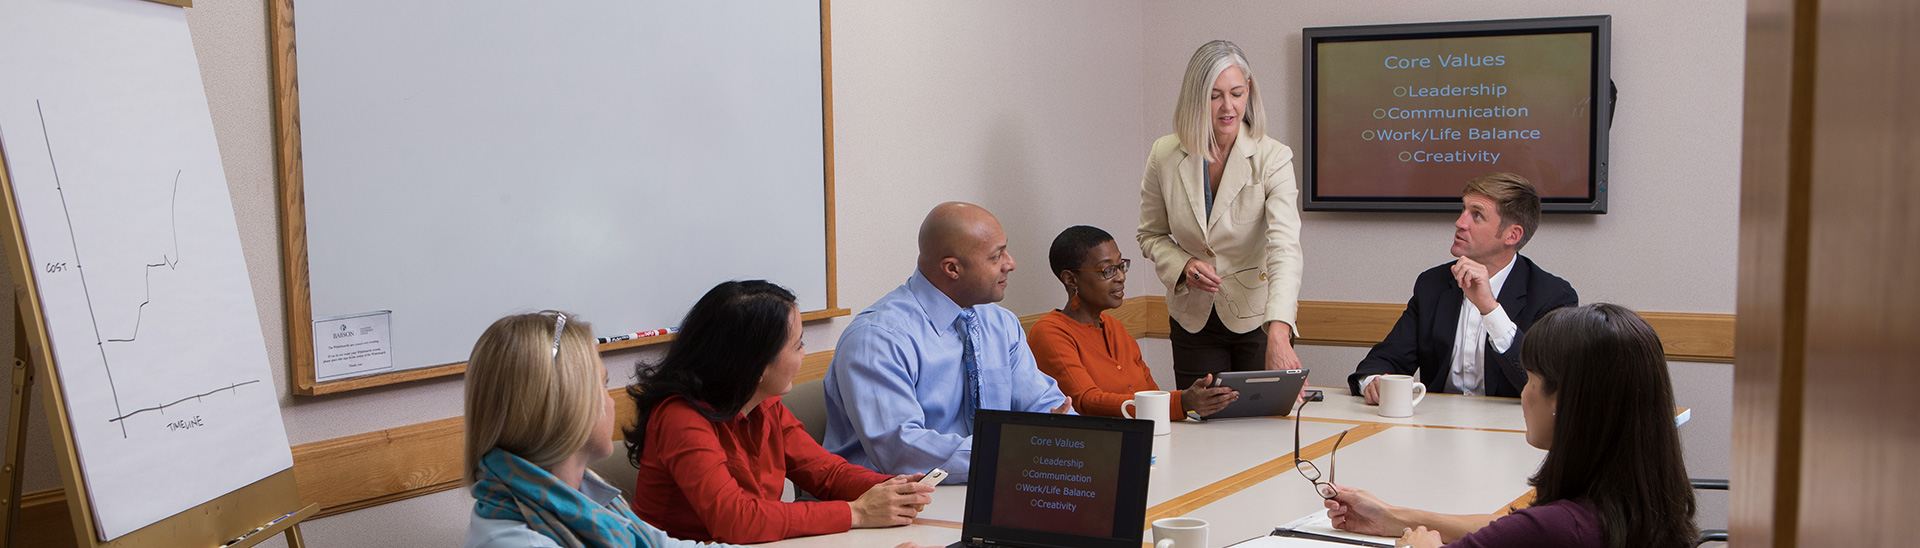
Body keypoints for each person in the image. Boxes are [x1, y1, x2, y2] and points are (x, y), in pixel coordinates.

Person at [1323, 303, 1698, 548]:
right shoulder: (1636, 499)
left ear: (1569, 402)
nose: (1524, 394)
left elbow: (1530, 531)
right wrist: (1396, 517)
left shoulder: (1563, 528)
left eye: (1531, 379)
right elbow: (1507, 530)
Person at [625, 281, 936, 544]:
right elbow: (735, 520)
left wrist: (892, 487)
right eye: (797, 345)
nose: (804, 354)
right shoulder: (680, 417)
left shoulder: (765, 404)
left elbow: (826, 473)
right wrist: (857, 512)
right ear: (755, 365)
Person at [460, 310, 755, 548]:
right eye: (603, 384)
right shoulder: (523, 542)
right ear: (571, 405)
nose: (613, 401)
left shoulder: (585, 498)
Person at [823, 202, 1072, 483]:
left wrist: (1073, 441)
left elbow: (1045, 405)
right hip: (883, 502)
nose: (1010, 263)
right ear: (952, 268)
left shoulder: (999, 323)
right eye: (996, 256)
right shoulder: (877, 338)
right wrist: (1014, 452)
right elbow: (901, 451)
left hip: (987, 481)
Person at [1138, 39, 1306, 390]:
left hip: (1257, 318)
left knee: (1263, 429)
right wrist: (1183, 264)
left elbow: (1284, 249)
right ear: (1195, 98)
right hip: (1193, 318)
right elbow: (1150, 235)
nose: (1228, 107)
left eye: (1236, 93)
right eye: (1215, 96)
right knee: (1204, 428)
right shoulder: (1164, 154)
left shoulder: (1273, 157)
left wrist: (1280, 329)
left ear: (1249, 92)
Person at [1347, 173, 1578, 402]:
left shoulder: (1553, 296)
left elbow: (1544, 387)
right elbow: (1386, 359)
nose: (1460, 222)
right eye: (1463, 210)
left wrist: (1489, 308)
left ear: (1512, 235)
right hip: (1436, 427)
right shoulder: (1433, 284)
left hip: (1514, 431)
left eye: (1476, 215)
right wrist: (1374, 382)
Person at [1029, 225, 1238, 420]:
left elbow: (1152, 394)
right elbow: (1086, 402)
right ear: (1071, 279)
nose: (1121, 277)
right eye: (1108, 270)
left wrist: (1194, 400)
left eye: (1120, 266)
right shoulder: (1049, 332)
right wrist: (1181, 402)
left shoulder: (1114, 328)